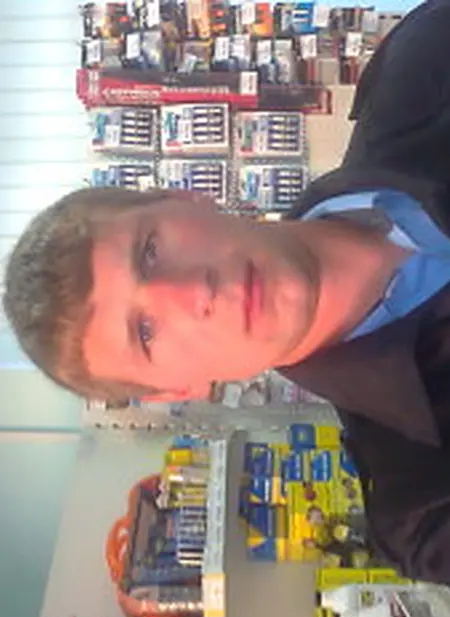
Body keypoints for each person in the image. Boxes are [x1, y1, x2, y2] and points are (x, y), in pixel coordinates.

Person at [5, 0, 450, 583]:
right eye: (145, 332)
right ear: (179, 390)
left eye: (150, 251)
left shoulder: (425, 64)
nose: (192, 293)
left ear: (188, 197)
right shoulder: (426, 507)